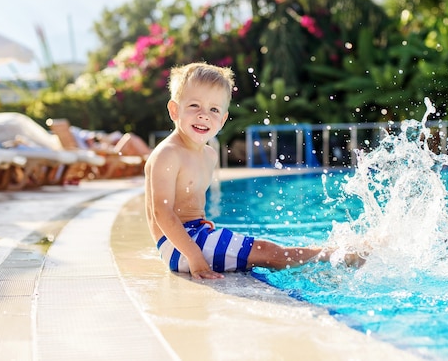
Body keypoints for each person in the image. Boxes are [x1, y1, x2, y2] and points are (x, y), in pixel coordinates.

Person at [145, 62, 363, 279]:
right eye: (194, 106)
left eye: (213, 109)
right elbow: (161, 213)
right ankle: (346, 256)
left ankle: (329, 253)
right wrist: (195, 257)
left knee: (264, 251)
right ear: (174, 110)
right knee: (272, 254)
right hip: (178, 247)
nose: (204, 115)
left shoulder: (209, 155)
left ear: (222, 120)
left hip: (197, 236)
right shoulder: (168, 153)